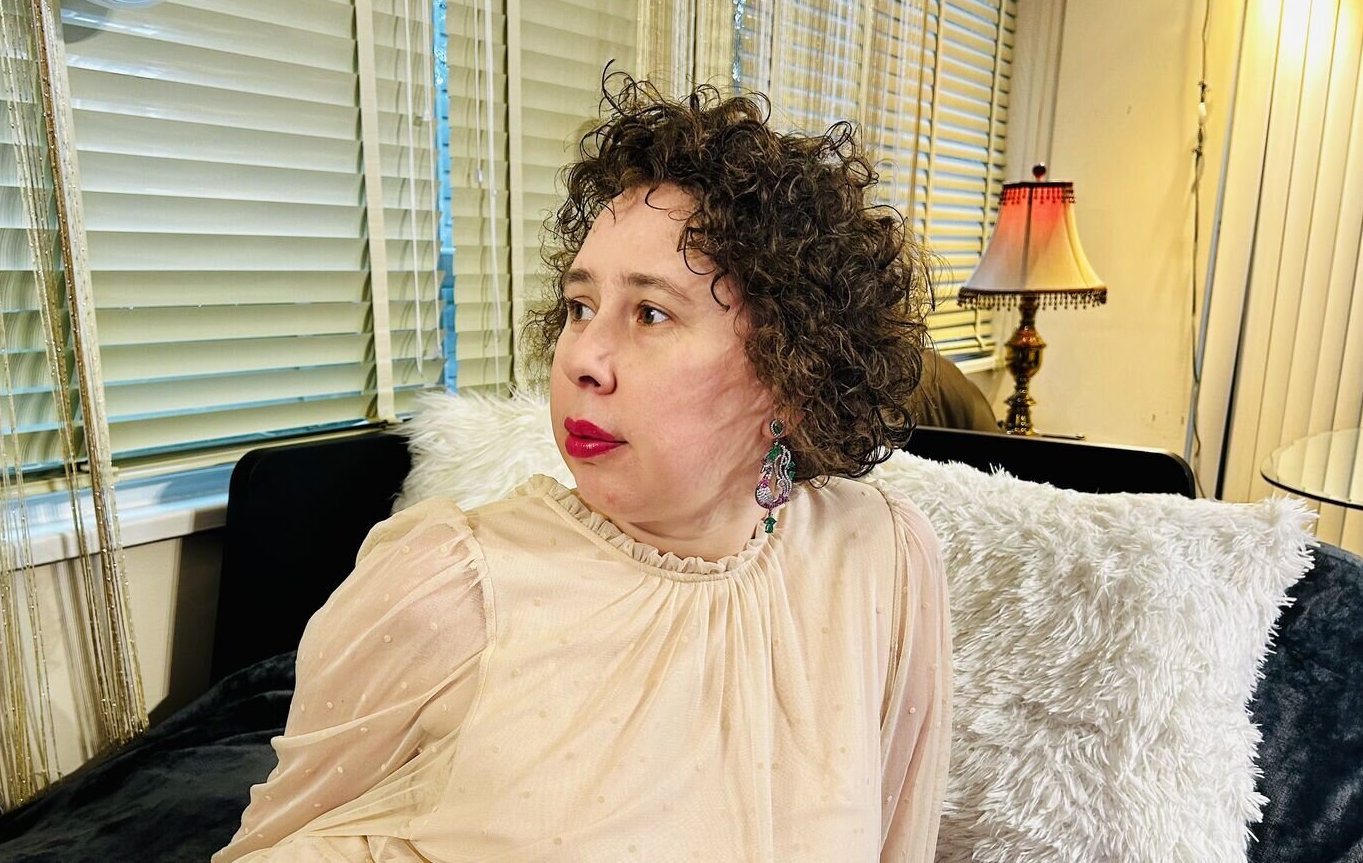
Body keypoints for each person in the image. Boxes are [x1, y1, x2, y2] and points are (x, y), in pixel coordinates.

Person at [215, 73, 953, 862]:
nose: (581, 361)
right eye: (579, 307)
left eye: (650, 313)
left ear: (792, 375)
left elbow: (896, 837)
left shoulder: (882, 558)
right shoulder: (446, 591)